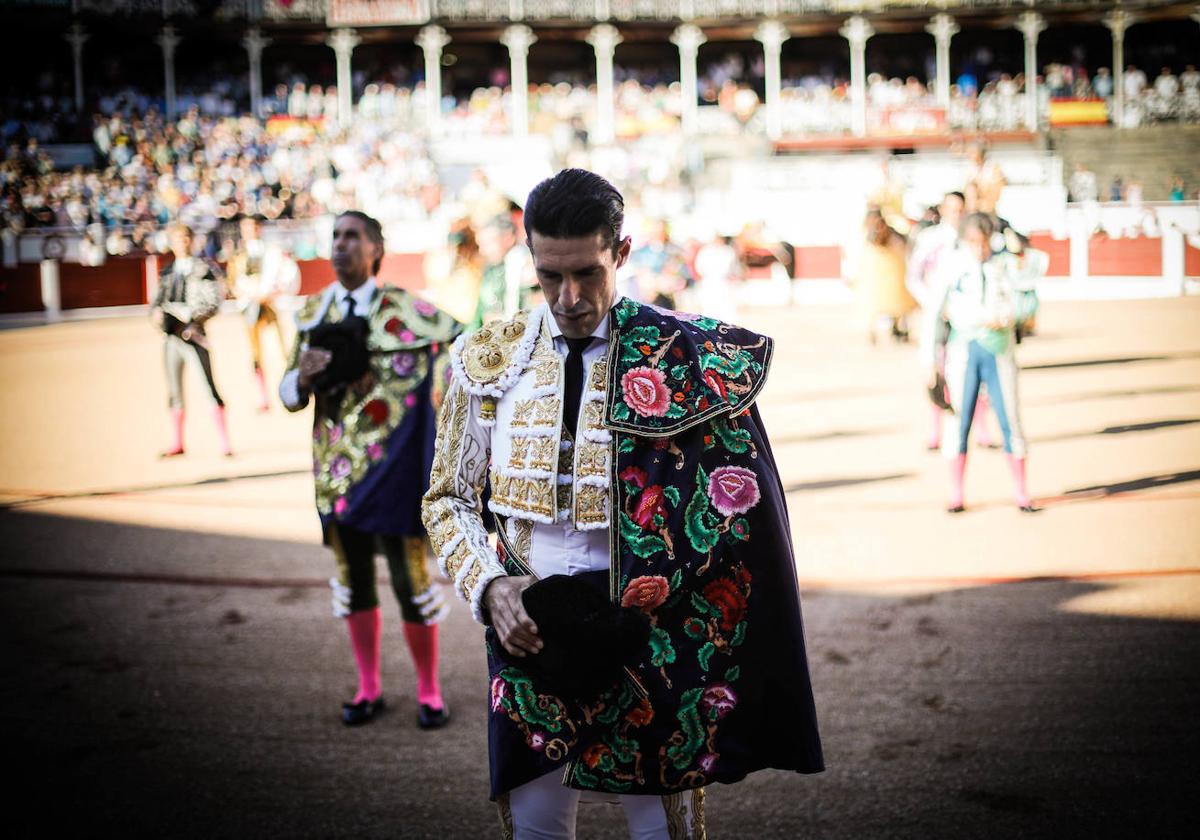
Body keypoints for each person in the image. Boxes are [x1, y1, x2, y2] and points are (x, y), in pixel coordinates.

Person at [422, 169, 822, 839]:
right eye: (550, 276)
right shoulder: (484, 359)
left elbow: (739, 514)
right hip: (529, 627)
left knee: (664, 831)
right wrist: (491, 588)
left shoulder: (682, 357)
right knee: (536, 826)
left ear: (623, 253)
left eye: (587, 273)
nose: (569, 297)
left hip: (652, 630)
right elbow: (449, 499)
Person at [280, 211, 463, 728]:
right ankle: (368, 687)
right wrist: (301, 378)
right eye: (335, 237)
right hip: (337, 469)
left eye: (352, 237)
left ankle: (428, 690)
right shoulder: (312, 313)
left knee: (410, 579)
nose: (340, 246)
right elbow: (289, 394)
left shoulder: (407, 310)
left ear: (375, 249)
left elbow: (462, 349)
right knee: (353, 577)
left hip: (397, 472)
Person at [921, 213, 1035, 514]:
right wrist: (930, 360)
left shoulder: (1007, 263)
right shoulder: (951, 264)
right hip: (963, 348)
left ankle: (1021, 493)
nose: (979, 248)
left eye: (983, 242)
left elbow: (1028, 299)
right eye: (973, 242)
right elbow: (933, 313)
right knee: (958, 420)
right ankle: (956, 494)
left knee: (1011, 418)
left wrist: (1012, 316)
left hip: (1000, 346)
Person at [150, 223, 233, 458]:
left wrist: (192, 318)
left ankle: (225, 443)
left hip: (193, 335)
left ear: (191, 240)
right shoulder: (167, 272)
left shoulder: (203, 268)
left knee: (209, 387)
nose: (181, 243)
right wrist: (157, 317)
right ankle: (177, 442)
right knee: (174, 390)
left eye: (185, 238)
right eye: (177, 239)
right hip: (171, 339)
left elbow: (213, 302)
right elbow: (156, 304)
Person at [227, 216, 299, 411]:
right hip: (250, 308)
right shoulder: (238, 256)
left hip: (271, 306)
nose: (249, 230)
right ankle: (265, 396)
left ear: (259, 228)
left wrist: (271, 294)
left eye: (252, 226)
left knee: (281, 349)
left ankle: (288, 391)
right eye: (245, 227)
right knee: (256, 353)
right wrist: (245, 294)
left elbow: (288, 275)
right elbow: (232, 284)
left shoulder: (273, 252)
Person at [851, 208, 916, 344]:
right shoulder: (867, 236)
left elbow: (902, 245)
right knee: (874, 307)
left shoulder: (892, 233)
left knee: (897, 306)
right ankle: (873, 332)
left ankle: (898, 329)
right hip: (875, 278)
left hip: (891, 276)